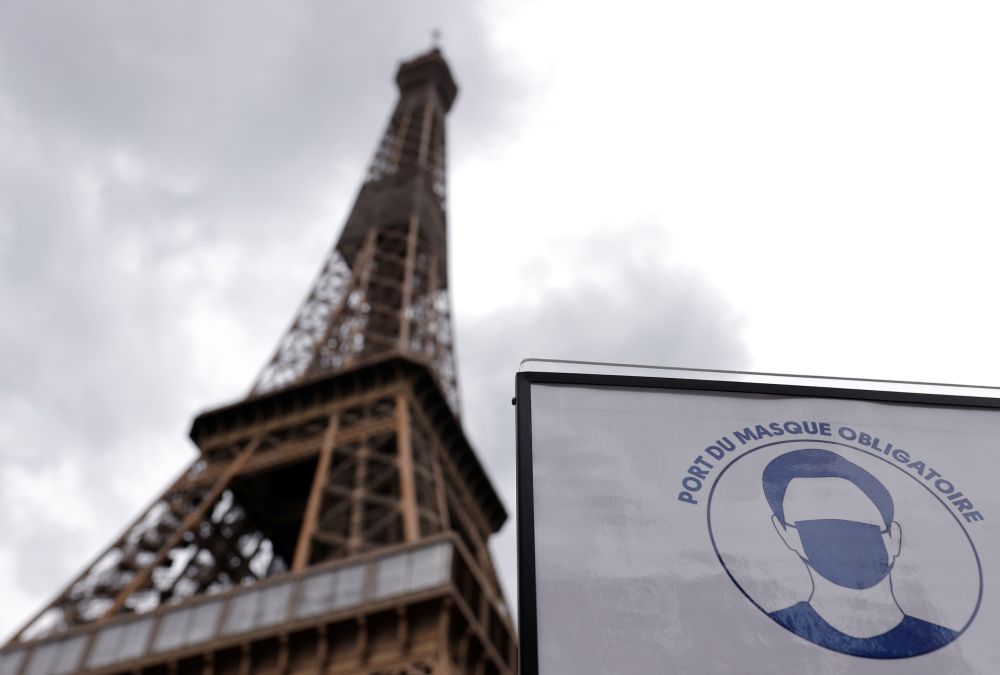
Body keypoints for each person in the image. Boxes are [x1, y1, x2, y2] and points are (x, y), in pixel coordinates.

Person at [761, 448, 957, 658]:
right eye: (818, 530)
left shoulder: (946, 646)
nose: (842, 544)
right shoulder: (765, 641)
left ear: (894, 537)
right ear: (786, 535)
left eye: (860, 528)